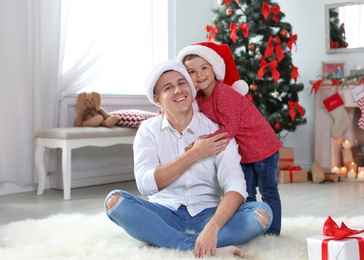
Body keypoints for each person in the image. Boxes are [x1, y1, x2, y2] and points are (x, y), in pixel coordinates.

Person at [104, 60, 273, 258]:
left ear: (191, 88)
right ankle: (197, 246)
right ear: (157, 99)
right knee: (115, 201)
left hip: (209, 214)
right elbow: (145, 184)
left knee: (261, 213)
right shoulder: (148, 130)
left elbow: (236, 188)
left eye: (182, 83)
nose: (178, 90)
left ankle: (167, 241)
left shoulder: (217, 129)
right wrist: (194, 154)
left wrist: (213, 227)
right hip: (164, 213)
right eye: (169, 87)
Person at [176, 42, 282, 236]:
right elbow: (190, 111)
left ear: (214, 68)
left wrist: (201, 144)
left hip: (264, 148)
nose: (199, 75)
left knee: (268, 192)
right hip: (245, 152)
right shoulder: (200, 97)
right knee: (246, 193)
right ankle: (254, 228)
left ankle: (272, 234)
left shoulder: (223, 94)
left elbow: (229, 129)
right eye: (192, 72)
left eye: (204, 68)